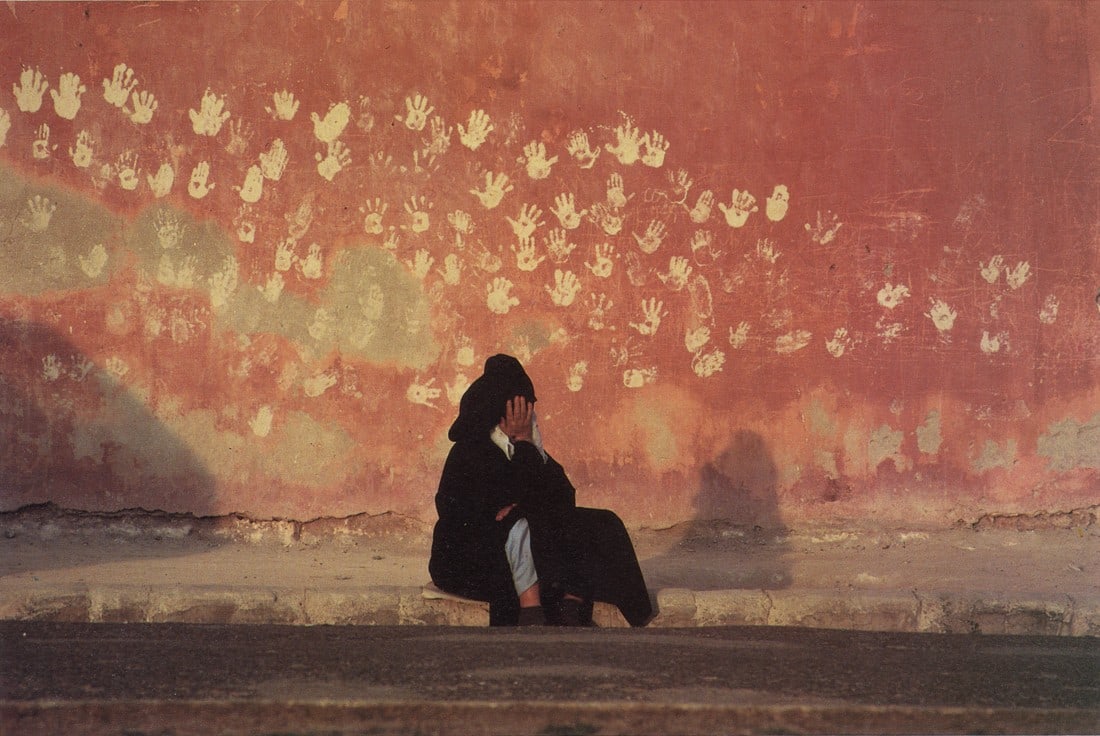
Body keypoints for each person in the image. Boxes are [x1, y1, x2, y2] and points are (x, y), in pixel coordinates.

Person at [429, 354, 653, 627]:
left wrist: (524, 445)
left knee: (599, 522)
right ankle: (530, 611)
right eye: (520, 409)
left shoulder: (528, 450)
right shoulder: (469, 451)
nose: (529, 417)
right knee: (518, 524)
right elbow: (459, 510)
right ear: (502, 412)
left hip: (524, 554)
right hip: (469, 558)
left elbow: (562, 499)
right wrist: (508, 508)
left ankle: (572, 604)